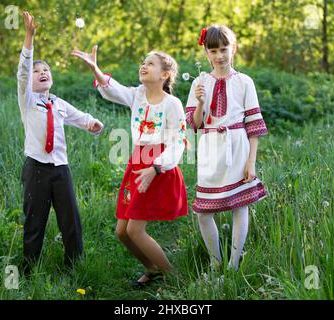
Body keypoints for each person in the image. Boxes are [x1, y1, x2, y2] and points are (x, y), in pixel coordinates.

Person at [72, 46, 188, 286]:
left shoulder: (172, 104)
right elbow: (112, 90)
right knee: (122, 232)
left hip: (157, 168)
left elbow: (179, 142)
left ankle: (175, 278)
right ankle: (152, 269)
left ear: (165, 74)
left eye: (151, 64)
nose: (143, 66)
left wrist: (156, 167)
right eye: (142, 62)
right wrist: (95, 69)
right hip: (136, 164)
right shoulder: (137, 95)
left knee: (135, 230)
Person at [17, 12, 104, 272]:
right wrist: (29, 37)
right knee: (35, 222)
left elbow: (80, 117)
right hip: (37, 169)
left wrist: (93, 124)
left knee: (71, 221)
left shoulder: (58, 103)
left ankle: (74, 267)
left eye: (46, 70)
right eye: (37, 71)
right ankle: (29, 270)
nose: (42, 72)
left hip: (61, 169)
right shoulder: (28, 100)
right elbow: (23, 71)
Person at [185, 25, 268, 271]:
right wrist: (200, 102)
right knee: (204, 212)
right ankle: (215, 261)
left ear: (233, 49)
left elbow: (253, 125)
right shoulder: (199, 83)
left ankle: (233, 264)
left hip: (237, 145)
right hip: (211, 148)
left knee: (239, 206)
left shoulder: (244, 82)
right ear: (206, 52)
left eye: (224, 49)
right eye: (213, 50)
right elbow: (196, 124)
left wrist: (251, 162)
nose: (219, 55)